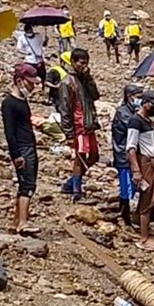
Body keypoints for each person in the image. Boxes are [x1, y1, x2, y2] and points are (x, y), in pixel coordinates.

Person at [2, 64, 43, 233]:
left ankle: (16, 220)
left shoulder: (22, 101)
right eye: (30, 83)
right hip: (22, 147)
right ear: (19, 81)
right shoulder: (9, 103)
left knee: (24, 184)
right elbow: (9, 131)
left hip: (28, 144)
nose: (32, 87)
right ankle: (23, 222)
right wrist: (16, 154)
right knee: (27, 185)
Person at [56, 48, 101, 201]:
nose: (84, 66)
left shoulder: (84, 79)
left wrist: (89, 79)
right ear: (74, 62)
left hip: (88, 124)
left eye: (86, 63)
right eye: (81, 63)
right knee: (79, 157)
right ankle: (76, 191)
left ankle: (71, 182)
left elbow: (95, 96)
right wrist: (68, 133)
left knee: (94, 156)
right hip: (78, 125)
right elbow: (65, 109)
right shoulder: (67, 82)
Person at [126, 90, 154, 251]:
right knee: (148, 198)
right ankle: (143, 238)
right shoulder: (135, 121)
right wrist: (136, 170)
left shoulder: (146, 121)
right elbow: (130, 147)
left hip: (151, 161)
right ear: (145, 103)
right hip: (144, 162)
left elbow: (148, 141)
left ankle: (146, 230)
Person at [110, 83, 143, 227]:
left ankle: (128, 214)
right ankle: (125, 217)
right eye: (138, 97)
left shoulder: (131, 112)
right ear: (130, 97)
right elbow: (133, 129)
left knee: (132, 186)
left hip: (131, 154)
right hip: (124, 155)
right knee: (126, 187)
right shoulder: (124, 113)